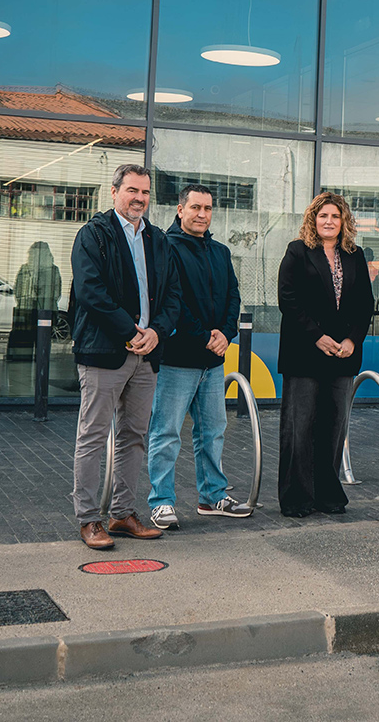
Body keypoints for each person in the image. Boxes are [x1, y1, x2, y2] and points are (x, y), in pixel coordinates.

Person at [68, 163, 179, 550]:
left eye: (145, 192)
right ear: (114, 192)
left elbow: (173, 295)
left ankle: (122, 513)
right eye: (132, 190)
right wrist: (130, 332)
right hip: (105, 351)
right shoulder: (93, 234)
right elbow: (90, 291)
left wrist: (156, 332)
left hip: (146, 354)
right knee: (93, 436)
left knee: (134, 437)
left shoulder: (158, 239)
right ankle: (88, 518)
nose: (139, 198)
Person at [148, 184, 252, 529]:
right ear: (181, 210)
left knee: (213, 432)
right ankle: (161, 502)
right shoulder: (166, 247)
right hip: (177, 360)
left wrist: (226, 333)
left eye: (207, 208)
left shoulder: (220, 252)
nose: (202, 214)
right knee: (166, 433)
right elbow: (173, 302)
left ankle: (212, 497)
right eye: (195, 207)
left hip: (213, 362)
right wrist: (205, 336)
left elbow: (233, 296)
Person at [276, 192, 375, 518]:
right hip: (305, 352)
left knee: (333, 429)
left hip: (342, 355)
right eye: (323, 216)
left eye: (335, 216)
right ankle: (297, 498)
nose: (329, 221)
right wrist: (317, 337)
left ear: (343, 221)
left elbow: (365, 304)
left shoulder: (355, 255)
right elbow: (288, 299)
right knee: (299, 428)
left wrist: (352, 340)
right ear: (313, 220)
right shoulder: (297, 251)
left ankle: (327, 495)